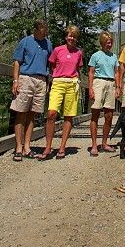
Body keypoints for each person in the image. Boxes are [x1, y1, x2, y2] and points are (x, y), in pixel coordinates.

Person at [38, 24, 83, 160]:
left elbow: (78, 69)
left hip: (71, 84)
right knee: (51, 113)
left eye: (74, 36)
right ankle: (48, 146)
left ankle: (62, 147)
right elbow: (52, 66)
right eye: (70, 35)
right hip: (58, 82)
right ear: (66, 36)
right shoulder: (57, 50)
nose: (72, 38)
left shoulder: (78, 53)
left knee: (68, 116)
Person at [10, 20, 52, 162]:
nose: (43, 33)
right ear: (35, 30)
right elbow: (17, 61)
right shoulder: (25, 41)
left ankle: (27, 147)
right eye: (41, 31)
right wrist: (15, 81)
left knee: (32, 115)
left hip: (41, 80)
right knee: (21, 113)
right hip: (26, 78)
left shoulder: (48, 43)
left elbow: (51, 63)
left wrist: (49, 82)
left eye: (45, 31)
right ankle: (18, 147)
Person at [88, 31, 120, 156]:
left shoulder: (114, 56)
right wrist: (90, 88)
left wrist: (117, 87)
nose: (109, 44)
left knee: (109, 115)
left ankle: (105, 143)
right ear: (102, 42)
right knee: (95, 114)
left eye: (110, 42)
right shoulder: (95, 55)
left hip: (110, 83)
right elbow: (91, 72)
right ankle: (94, 145)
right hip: (99, 82)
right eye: (107, 42)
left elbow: (116, 72)